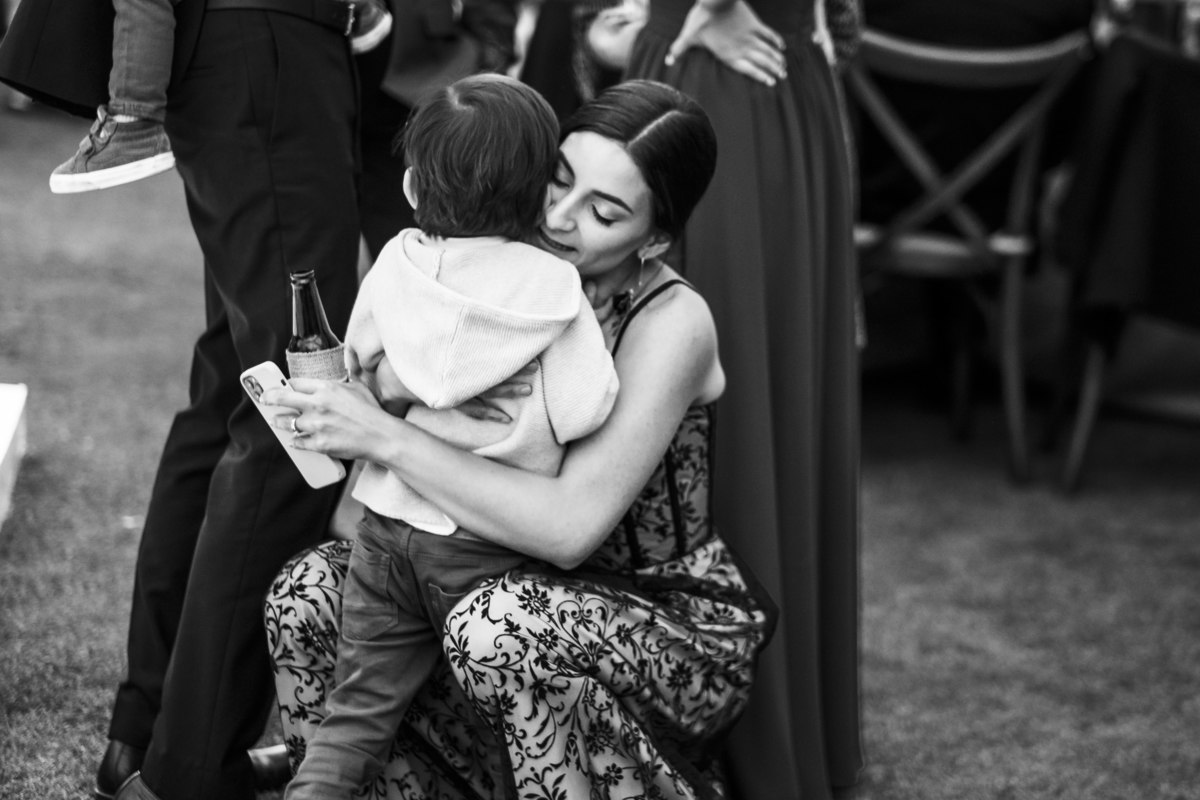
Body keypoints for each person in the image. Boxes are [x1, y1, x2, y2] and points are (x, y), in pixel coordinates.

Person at [261, 79, 776, 799]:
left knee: (495, 627)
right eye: (557, 181)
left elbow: (567, 532)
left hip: (652, 616)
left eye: (604, 212)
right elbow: (365, 500)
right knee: (307, 590)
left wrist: (385, 433)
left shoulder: (671, 322)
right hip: (485, 576)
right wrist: (392, 390)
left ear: (655, 238)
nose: (559, 218)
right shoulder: (488, 273)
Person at [284, 73, 619, 800]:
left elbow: (357, 367)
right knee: (502, 711)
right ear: (542, 196)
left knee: (355, 717)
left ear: (410, 187)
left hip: (387, 530)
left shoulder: (396, 262)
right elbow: (586, 409)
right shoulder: (554, 288)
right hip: (488, 546)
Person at [624, 1, 865, 798]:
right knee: (754, 388)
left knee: (713, 391)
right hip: (772, 77)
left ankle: (732, 735)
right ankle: (786, 729)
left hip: (727, 81)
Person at [46, 0, 392, 193]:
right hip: (278, 42)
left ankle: (134, 121)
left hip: (258, 44)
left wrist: (134, 103)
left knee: (282, 275)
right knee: (254, 271)